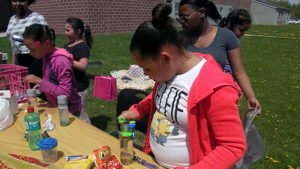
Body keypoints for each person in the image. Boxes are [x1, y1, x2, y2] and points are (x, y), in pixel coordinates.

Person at [118, 3, 245, 169]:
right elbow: (163, 97)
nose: (145, 74)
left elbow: (233, 147)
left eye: (147, 68)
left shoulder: (216, 88)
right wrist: (139, 110)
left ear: (166, 58)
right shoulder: (168, 73)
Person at [177, 0, 261, 113]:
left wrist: (251, 97)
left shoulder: (226, 37)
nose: (182, 21)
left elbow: (239, 73)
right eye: (180, 18)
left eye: (185, 17)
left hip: (215, 102)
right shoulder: (179, 38)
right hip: (185, 102)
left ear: (201, 12)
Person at [23, 24, 81, 117]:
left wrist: (40, 82)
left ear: (47, 44)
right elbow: (52, 81)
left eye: (33, 49)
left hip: (69, 112)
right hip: (56, 107)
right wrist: (41, 87)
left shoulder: (61, 62)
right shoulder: (47, 56)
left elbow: (65, 94)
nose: (30, 53)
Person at [6, 0, 47, 79]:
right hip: (18, 59)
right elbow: (14, 46)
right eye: (15, 0)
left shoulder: (37, 18)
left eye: (21, 0)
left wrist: (33, 44)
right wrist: (13, 65)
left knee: (34, 88)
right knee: (19, 87)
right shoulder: (12, 19)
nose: (18, 3)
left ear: (28, 1)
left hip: (34, 60)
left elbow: (45, 42)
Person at [64, 17, 93, 123]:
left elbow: (83, 66)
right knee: (71, 112)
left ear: (78, 32)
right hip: (68, 85)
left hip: (80, 87)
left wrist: (68, 58)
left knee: (81, 113)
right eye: (65, 30)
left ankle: (88, 133)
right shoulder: (66, 45)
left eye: (68, 30)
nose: (65, 33)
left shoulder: (82, 47)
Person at [219, 8, 252, 74]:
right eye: (241, 30)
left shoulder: (233, 44)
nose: (242, 34)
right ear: (230, 23)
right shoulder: (216, 39)